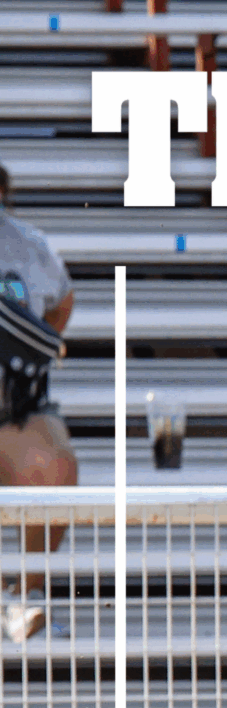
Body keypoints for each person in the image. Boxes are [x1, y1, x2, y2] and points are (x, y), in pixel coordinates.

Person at [0, 163, 77, 641]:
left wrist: (32, 347)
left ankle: (23, 596)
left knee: (56, 465)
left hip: (12, 405)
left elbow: (63, 301)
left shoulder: (27, 244)